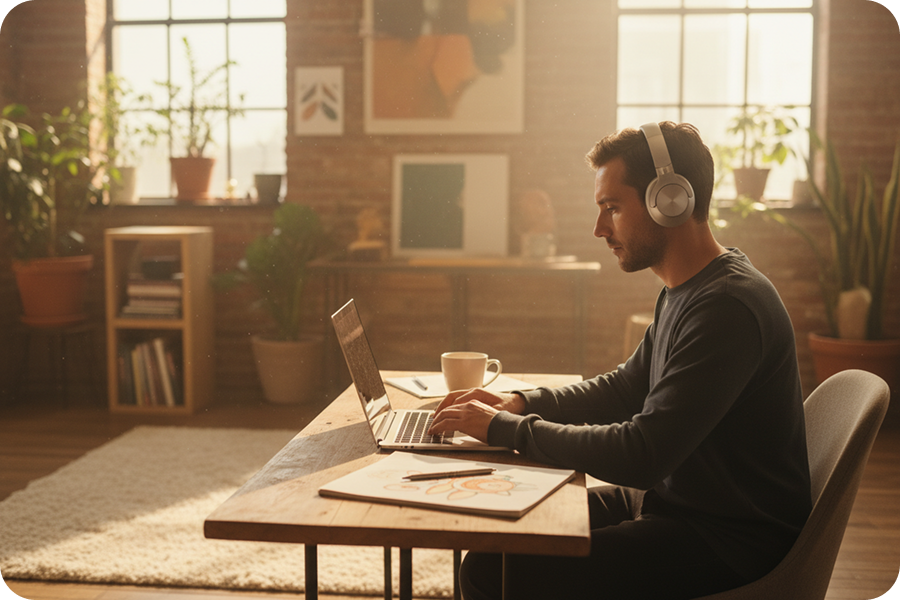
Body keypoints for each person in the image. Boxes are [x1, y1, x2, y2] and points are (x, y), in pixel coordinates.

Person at [428, 121, 812, 600]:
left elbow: (643, 454)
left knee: (492, 571)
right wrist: (520, 403)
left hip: (725, 539)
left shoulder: (727, 306)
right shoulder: (686, 290)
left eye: (612, 208)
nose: (599, 229)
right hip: (676, 503)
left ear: (670, 200)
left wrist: (505, 430)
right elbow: (626, 388)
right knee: (501, 536)